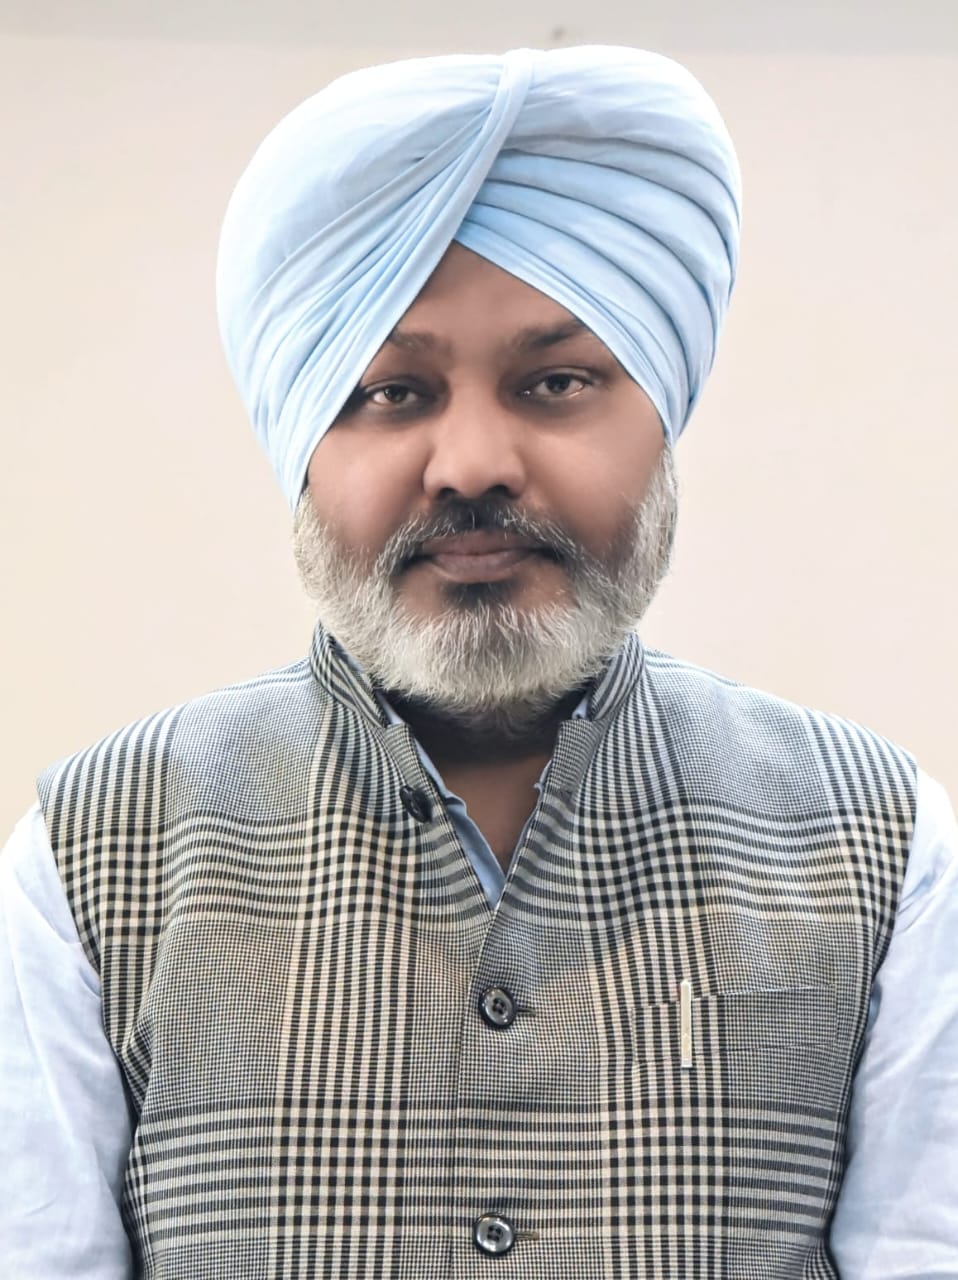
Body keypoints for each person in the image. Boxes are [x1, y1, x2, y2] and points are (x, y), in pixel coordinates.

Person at [1, 44, 956, 1280]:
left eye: (554, 382)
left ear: (661, 419)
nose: (469, 466)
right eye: (391, 393)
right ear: (302, 442)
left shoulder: (881, 843)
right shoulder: (93, 854)